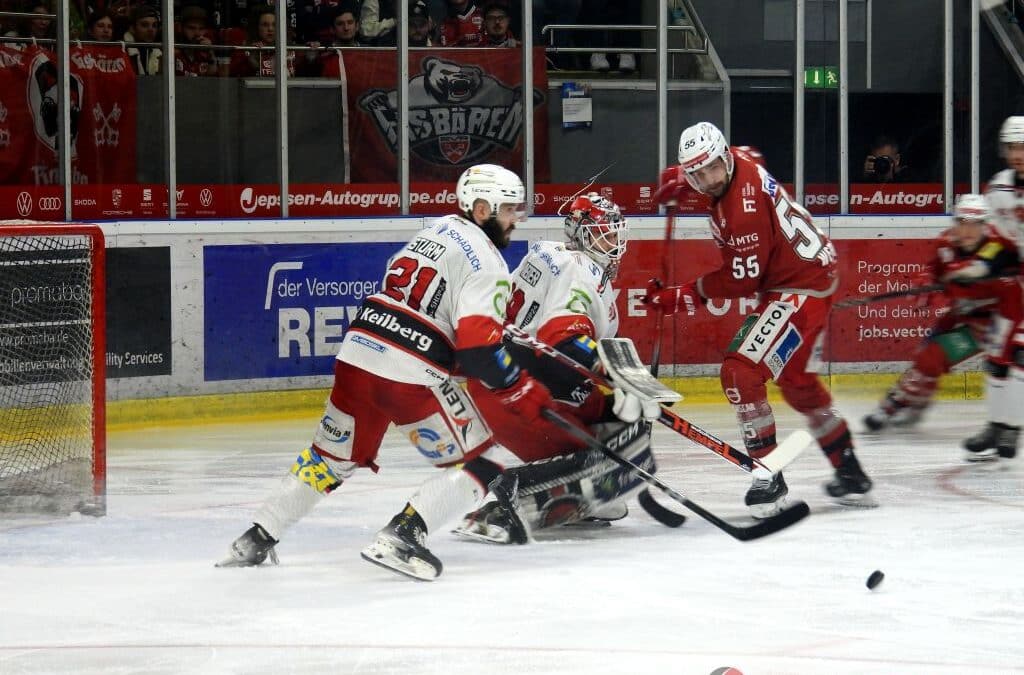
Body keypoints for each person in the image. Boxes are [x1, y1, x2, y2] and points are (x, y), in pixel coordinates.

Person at [217, 164, 558, 581]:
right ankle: (405, 534)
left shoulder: (434, 231)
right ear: (482, 207)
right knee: (484, 464)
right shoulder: (489, 263)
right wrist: (519, 387)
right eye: (508, 210)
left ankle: (257, 537)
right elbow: (477, 350)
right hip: (407, 373)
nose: (515, 220)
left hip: (357, 356)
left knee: (329, 458)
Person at [645, 122, 873, 517]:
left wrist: (684, 294)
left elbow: (740, 280)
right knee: (797, 381)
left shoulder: (741, 211)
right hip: (811, 275)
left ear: (725, 159)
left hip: (799, 288)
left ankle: (768, 476)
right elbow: (753, 152)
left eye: (712, 169)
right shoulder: (740, 159)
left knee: (741, 371)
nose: (708, 180)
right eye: (697, 174)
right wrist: (685, 183)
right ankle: (849, 469)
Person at [454, 192, 660, 543]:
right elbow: (563, 339)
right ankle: (502, 505)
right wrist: (619, 378)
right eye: (604, 233)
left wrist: (621, 388)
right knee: (612, 458)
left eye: (615, 234)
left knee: (617, 424)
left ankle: (580, 496)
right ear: (580, 233)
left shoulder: (550, 255)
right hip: (519, 389)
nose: (614, 244)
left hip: (501, 380)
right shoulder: (583, 269)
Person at [862, 194, 1022, 460]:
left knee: (939, 358)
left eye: (975, 223)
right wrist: (922, 287)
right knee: (927, 357)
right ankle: (909, 400)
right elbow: (931, 272)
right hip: (961, 315)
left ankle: (898, 403)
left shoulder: (1000, 246)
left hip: (990, 324)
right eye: (963, 222)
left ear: (986, 225)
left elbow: (995, 271)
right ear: (954, 223)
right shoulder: (945, 245)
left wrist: (966, 276)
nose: (968, 230)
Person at [986, 115, 1024, 245]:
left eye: (1023, 148)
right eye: (1012, 148)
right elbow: (991, 233)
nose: (1017, 156)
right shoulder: (997, 186)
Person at [174, 5, 218, 77]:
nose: (197, 33)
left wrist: (211, 52)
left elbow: (212, 79)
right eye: (191, 28)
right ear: (180, 28)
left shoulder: (205, 55)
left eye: (201, 28)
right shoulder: (174, 53)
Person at [124, 4, 162, 75]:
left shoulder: (160, 54)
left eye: (154, 25)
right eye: (144, 25)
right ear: (132, 28)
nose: (151, 30)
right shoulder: (123, 51)